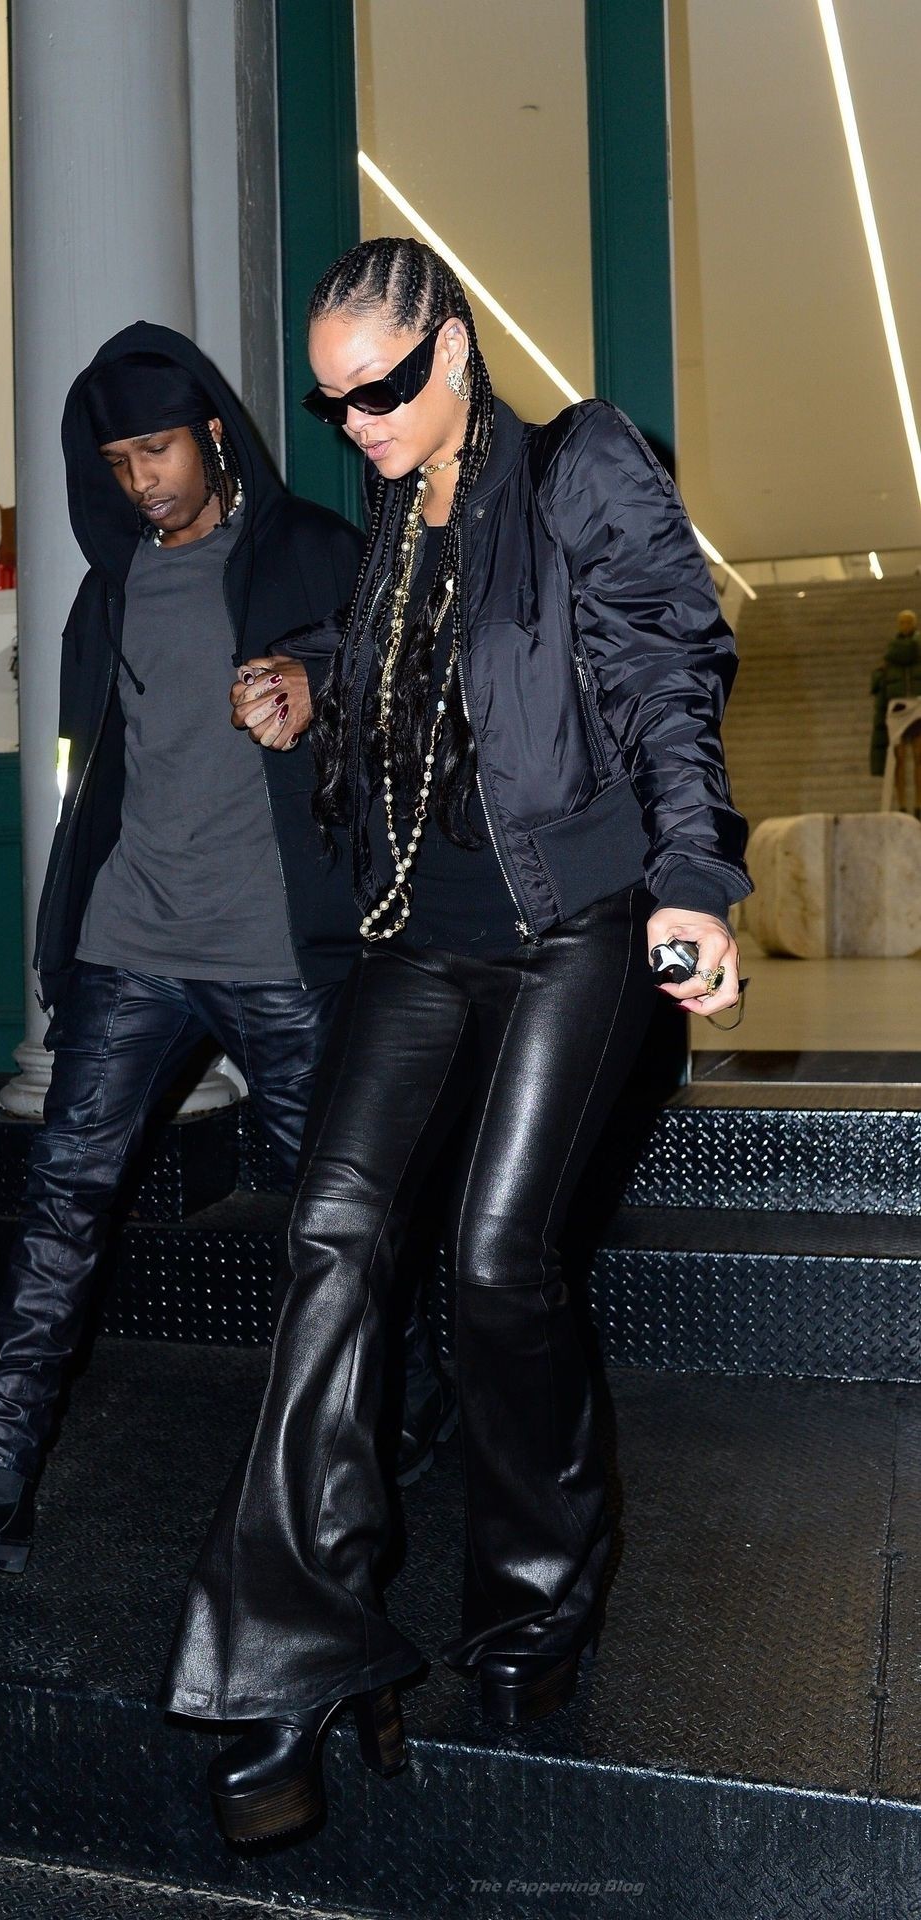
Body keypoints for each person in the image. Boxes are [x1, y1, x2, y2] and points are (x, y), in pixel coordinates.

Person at [158, 239, 752, 1846]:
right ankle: (293, 1661)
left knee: (497, 1262)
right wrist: (310, 677)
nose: (357, 423)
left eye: (383, 389)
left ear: (458, 346)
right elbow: (418, 663)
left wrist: (693, 880)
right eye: (331, 403)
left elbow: (666, 664)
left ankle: (538, 1599)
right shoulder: (391, 515)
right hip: (419, 937)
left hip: (578, 922)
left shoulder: (578, 465)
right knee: (329, 1243)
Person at [0, 323, 453, 1576]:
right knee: (60, 1203)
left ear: (214, 434)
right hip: (134, 943)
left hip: (280, 955)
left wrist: (313, 686)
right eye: (120, 463)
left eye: (160, 452)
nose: (143, 482)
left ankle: (408, 1406)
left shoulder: (311, 549)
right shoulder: (111, 588)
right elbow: (96, 775)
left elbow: (407, 687)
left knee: (337, 1221)